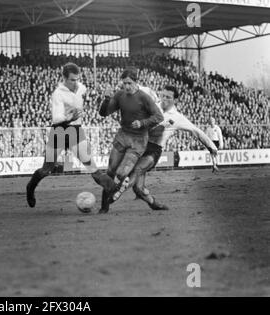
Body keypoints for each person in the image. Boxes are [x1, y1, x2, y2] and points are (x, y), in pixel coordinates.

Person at [110, 85, 219, 211]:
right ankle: (155, 204)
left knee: (138, 169)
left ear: (175, 100)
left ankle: (118, 190)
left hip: (154, 150)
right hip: (140, 145)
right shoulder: (153, 105)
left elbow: (196, 131)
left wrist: (212, 147)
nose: (164, 99)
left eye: (168, 97)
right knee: (138, 188)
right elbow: (140, 89)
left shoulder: (177, 117)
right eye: (163, 96)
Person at [26, 62, 112, 208]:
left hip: (75, 131)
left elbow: (89, 95)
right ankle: (30, 187)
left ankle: (113, 189)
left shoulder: (81, 88)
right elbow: (56, 118)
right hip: (60, 130)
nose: (75, 83)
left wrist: (105, 97)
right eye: (72, 80)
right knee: (46, 169)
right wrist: (69, 118)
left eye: (76, 79)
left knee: (92, 167)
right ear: (64, 78)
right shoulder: (58, 94)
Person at [97, 67, 164, 213]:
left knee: (121, 173)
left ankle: (113, 195)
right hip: (123, 136)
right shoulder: (120, 95)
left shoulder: (144, 97)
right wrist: (106, 99)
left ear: (135, 82)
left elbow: (159, 117)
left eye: (129, 83)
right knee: (110, 171)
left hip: (138, 141)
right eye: (124, 83)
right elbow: (103, 113)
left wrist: (142, 123)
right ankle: (104, 207)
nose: (126, 86)